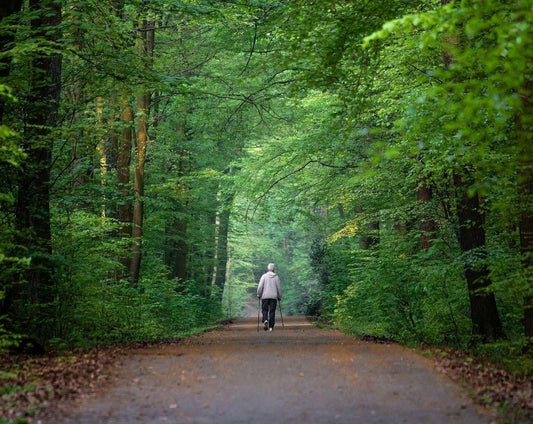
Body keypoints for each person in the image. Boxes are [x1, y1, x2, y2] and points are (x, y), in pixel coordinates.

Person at [257, 263, 282, 331]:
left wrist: (259, 294)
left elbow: (260, 286)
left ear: (268, 268)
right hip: (273, 297)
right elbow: (278, 288)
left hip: (265, 296)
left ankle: (265, 320)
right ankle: (271, 326)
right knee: (272, 311)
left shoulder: (264, 276)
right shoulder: (276, 277)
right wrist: (279, 296)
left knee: (265, 310)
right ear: (273, 269)